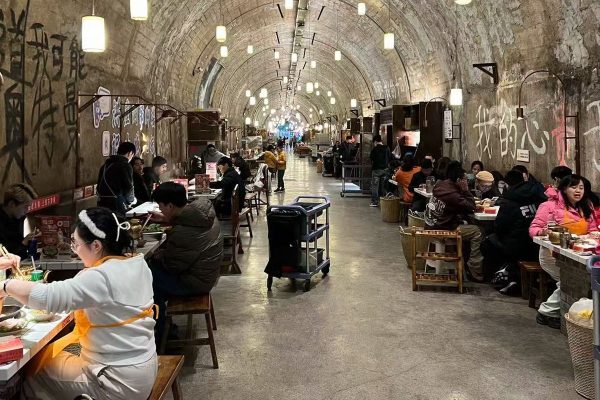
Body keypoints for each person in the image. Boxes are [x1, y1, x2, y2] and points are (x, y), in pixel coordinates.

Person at [2, 207, 157, 399]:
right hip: (143, 368)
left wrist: (6, 286)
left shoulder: (101, 276)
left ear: (96, 245)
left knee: (33, 374)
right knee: (49, 358)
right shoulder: (136, 262)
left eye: (76, 243)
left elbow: (47, 297)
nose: (74, 249)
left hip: (117, 381)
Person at [149, 183, 223, 344]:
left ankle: (165, 333)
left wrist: (156, 255)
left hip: (195, 283)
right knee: (152, 278)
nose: (160, 209)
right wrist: (167, 219)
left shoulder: (183, 232)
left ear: (170, 205)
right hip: (208, 274)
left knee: (148, 281)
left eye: (161, 206)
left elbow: (172, 266)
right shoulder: (203, 214)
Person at [529, 174, 598, 328]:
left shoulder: (586, 206)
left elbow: (592, 228)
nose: (578, 191)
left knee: (581, 280)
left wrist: (593, 234)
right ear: (564, 189)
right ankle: (546, 312)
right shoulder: (549, 206)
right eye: (574, 187)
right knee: (569, 281)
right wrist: (543, 231)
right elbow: (533, 229)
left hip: (579, 251)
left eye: (581, 187)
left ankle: (573, 316)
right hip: (551, 255)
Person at [483, 170, 547, 292]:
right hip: (536, 245)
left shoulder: (509, 200)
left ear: (507, 184)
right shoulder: (538, 195)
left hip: (516, 245)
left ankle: (500, 274)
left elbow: (500, 227)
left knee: (488, 241)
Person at [425, 161, 484, 282]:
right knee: (477, 231)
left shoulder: (440, 185)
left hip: (430, 224)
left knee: (467, 225)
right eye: (464, 179)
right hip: (442, 228)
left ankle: (465, 261)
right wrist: (466, 190)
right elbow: (471, 206)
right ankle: (474, 268)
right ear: (458, 180)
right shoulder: (453, 194)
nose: (466, 181)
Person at [97, 141, 136, 215]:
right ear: (130, 153)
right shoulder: (125, 165)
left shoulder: (105, 165)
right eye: (132, 155)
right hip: (117, 205)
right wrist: (132, 200)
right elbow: (128, 187)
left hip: (102, 203)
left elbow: (98, 186)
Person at [0, 183, 39, 259]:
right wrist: (24, 242)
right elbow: (4, 254)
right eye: (25, 207)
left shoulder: (18, 218)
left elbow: (18, 244)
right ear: (12, 204)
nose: (27, 211)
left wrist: (31, 240)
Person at [369, 134, 391, 207]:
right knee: (383, 186)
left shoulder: (375, 149)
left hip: (376, 170)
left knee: (375, 186)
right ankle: (383, 202)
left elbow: (371, 158)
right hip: (385, 169)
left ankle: (375, 202)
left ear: (375, 141)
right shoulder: (387, 148)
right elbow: (390, 157)